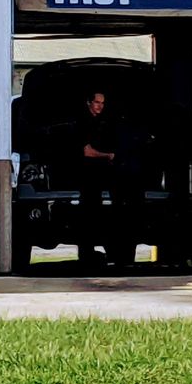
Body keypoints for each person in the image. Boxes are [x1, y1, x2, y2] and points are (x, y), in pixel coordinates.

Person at [76, 91, 117, 267]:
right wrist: (107, 155)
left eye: (102, 103)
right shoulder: (83, 123)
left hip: (98, 176)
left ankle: (94, 250)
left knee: (96, 213)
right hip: (87, 175)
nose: (100, 106)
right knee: (89, 212)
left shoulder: (101, 123)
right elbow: (87, 152)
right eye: (97, 102)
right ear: (89, 103)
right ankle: (87, 252)